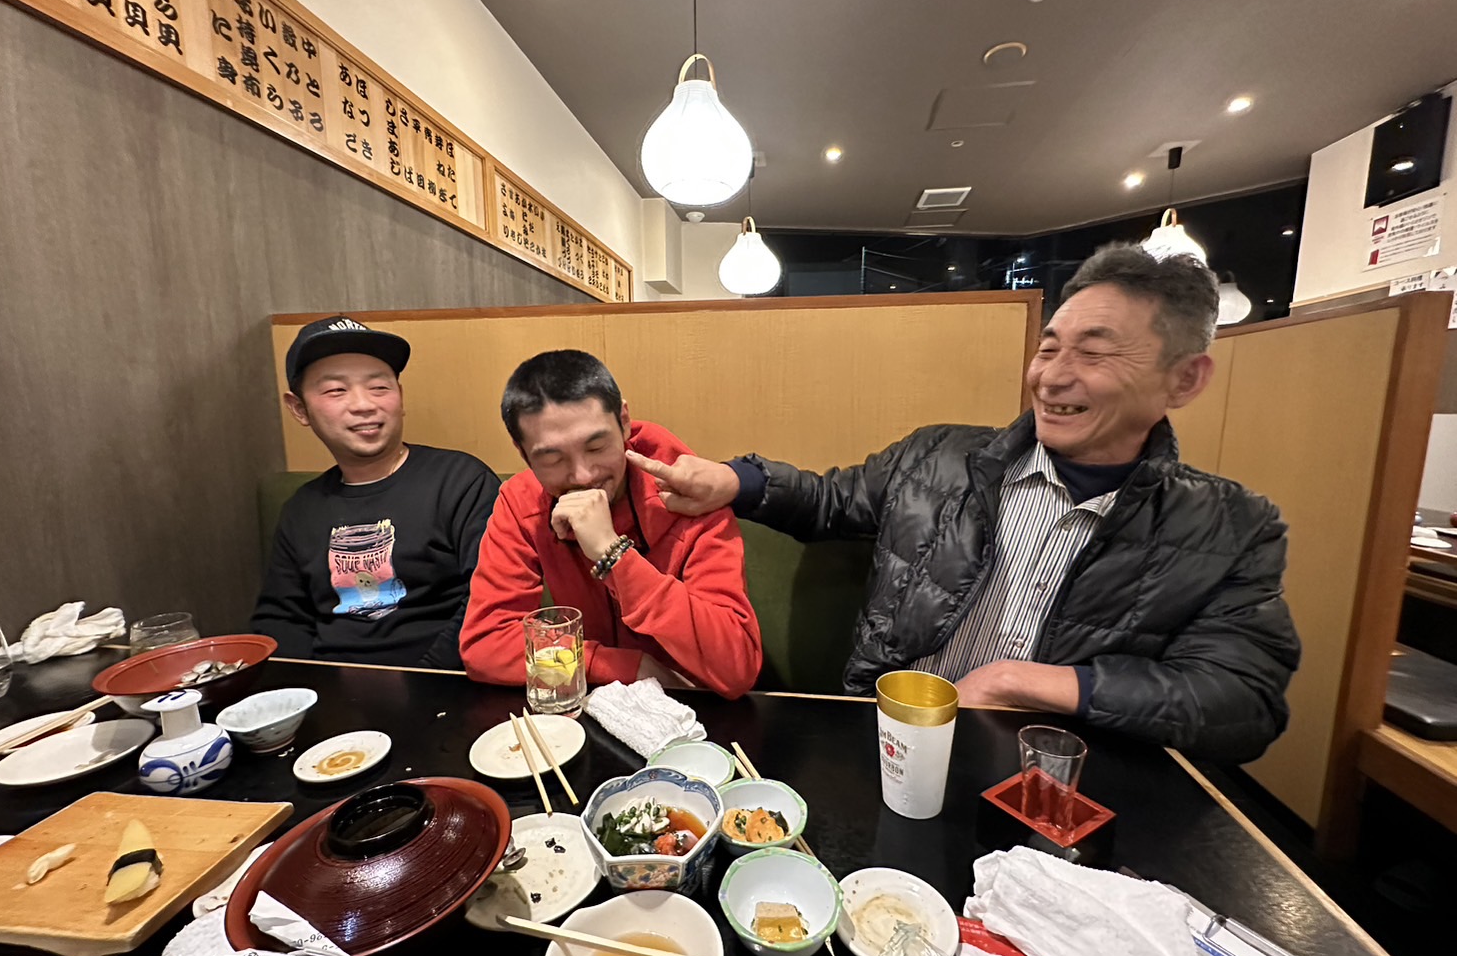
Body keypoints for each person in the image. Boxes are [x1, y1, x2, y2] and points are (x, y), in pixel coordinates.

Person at [625, 245, 1301, 762]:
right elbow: (831, 499)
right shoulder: (938, 457)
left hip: (1057, 780)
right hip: (887, 746)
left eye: (1094, 355)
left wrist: (1027, 682)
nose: (1052, 376)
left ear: (1184, 379)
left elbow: (1243, 703)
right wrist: (735, 481)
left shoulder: (1232, 528)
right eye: (1048, 348)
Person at [459, 350, 761, 699]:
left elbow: (737, 667)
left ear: (624, 421)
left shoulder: (690, 492)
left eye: (596, 447)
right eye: (553, 458)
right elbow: (485, 645)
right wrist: (621, 667)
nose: (583, 476)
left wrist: (613, 554)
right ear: (522, 452)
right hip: (599, 704)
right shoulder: (521, 502)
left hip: (699, 706)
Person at [251, 317, 499, 669]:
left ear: (400, 397)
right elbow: (281, 620)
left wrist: (422, 683)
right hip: (330, 690)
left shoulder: (461, 481)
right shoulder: (301, 509)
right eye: (336, 390)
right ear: (299, 409)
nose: (364, 404)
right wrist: (310, 689)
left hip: (445, 682)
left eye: (379, 387)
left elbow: (490, 600)